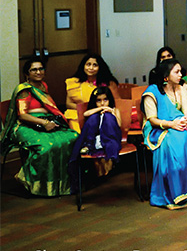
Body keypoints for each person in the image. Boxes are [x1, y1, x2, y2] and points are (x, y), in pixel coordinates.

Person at [1, 59, 78, 196]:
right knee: (46, 147)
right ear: (27, 74)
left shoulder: (42, 86)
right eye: (34, 70)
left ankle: (63, 184)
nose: (38, 72)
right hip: (25, 126)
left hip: (45, 121)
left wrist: (48, 120)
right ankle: (31, 180)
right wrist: (43, 123)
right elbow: (22, 116)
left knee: (72, 137)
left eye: (41, 69)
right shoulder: (24, 90)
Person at [141, 59, 187, 209]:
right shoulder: (152, 92)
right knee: (175, 143)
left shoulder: (181, 89)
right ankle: (173, 194)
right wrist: (172, 124)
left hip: (179, 125)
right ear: (166, 75)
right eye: (176, 72)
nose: (180, 74)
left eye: (180, 71)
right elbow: (152, 120)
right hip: (159, 129)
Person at [68, 86, 121, 187]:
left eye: (105, 100)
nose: (102, 103)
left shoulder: (114, 110)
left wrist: (111, 113)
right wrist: (99, 109)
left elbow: (119, 124)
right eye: (98, 100)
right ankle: (91, 150)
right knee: (93, 118)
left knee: (108, 118)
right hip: (95, 139)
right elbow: (85, 114)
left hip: (110, 139)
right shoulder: (94, 111)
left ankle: (109, 161)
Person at [65, 53, 120, 133]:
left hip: (103, 114)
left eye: (95, 65)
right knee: (79, 136)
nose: (91, 68)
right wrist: (86, 109)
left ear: (100, 67)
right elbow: (68, 104)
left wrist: (99, 110)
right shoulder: (74, 83)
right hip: (78, 115)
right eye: (88, 64)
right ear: (83, 66)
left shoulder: (108, 83)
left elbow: (117, 103)